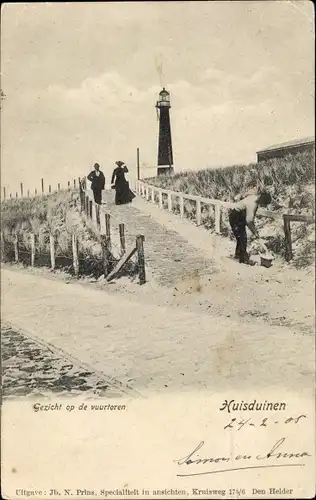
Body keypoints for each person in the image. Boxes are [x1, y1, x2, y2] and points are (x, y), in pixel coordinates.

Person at [228, 191, 272, 264]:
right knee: (242, 237)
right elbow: (249, 221)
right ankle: (243, 259)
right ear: (262, 200)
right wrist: (255, 232)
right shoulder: (253, 204)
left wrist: (254, 231)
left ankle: (238, 254)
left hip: (238, 216)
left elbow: (250, 218)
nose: (264, 206)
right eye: (264, 204)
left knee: (241, 237)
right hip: (235, 217)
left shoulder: (254, 197)